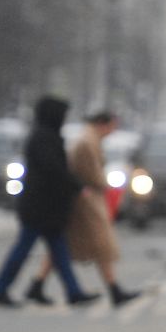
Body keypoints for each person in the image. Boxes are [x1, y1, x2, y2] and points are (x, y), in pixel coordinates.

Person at [0, 95, 99, 307]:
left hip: (48, 208)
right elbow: (54, 171)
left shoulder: (46, 136)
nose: (64, 119)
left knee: (60, 252)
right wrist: (76, 186)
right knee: (24, 250)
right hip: (39, 208)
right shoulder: (43, 139)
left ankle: (73, 291)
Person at [24, 110, 139, 307]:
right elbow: (92, 174)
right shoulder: (87, 142)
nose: (112, 131)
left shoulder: (88, 139)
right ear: (103, 124)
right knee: (102, 246)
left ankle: (38, 284)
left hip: (83, 200)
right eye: (112, 126)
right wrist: (105, 186)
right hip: (86, 203)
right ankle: (113, 290)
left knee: (63, 247)